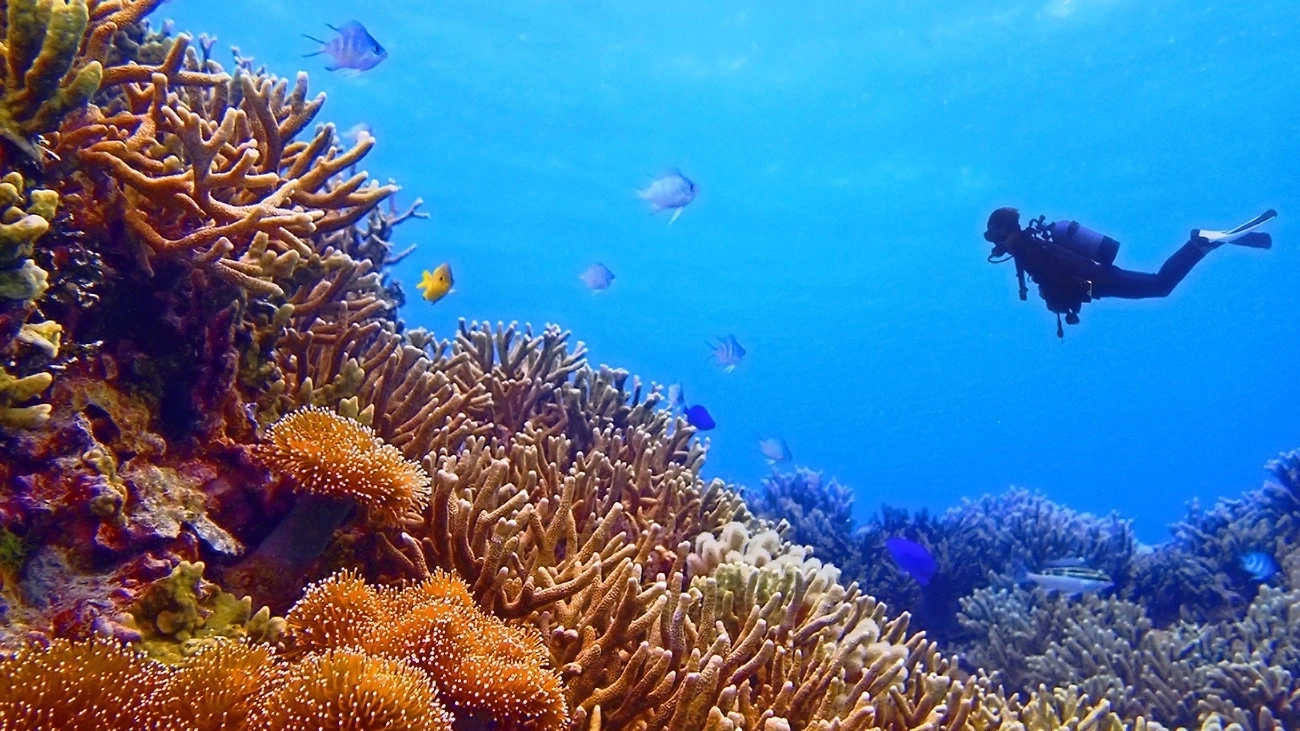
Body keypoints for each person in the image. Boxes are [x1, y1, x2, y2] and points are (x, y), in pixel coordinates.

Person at [983, 207, 1276, 338]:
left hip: (1095, 280)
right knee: (1158, 284)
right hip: (1094, 280)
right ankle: (1202, 245)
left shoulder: (1024, 247)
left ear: (1003, 229)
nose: (995, 244)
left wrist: (1055, 301)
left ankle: (1199, 242)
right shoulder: (1028, 243)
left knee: (1160, 285)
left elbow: (1051, 278)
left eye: (994, 236)